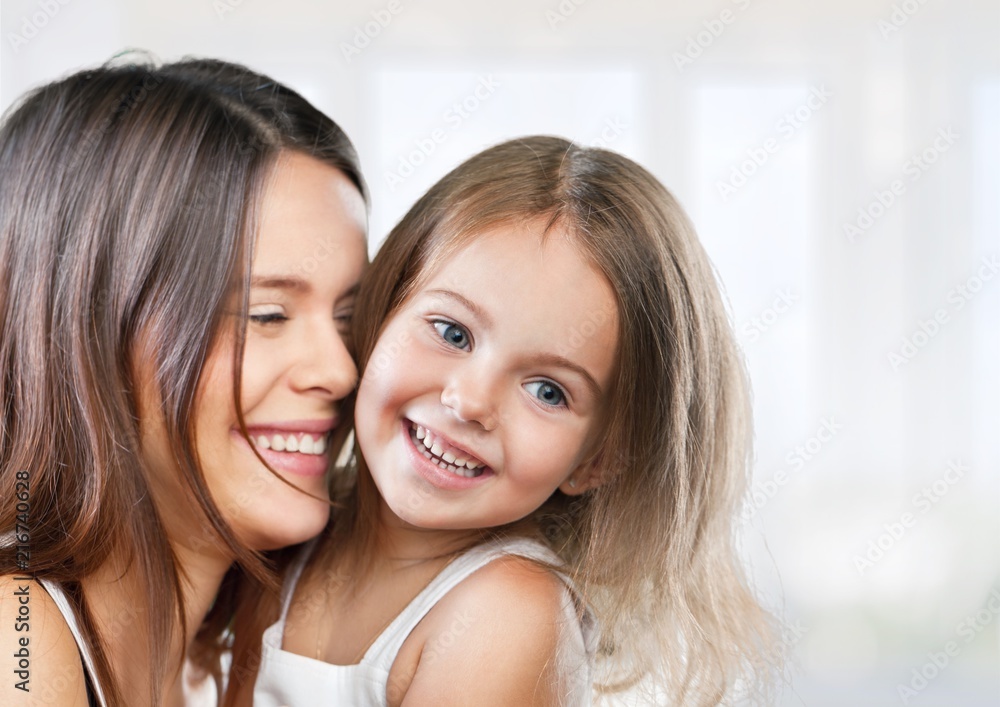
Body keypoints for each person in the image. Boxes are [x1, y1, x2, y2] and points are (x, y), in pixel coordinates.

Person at [245, 136, 779, 706]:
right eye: (452, 333)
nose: (471, 401)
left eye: (548, 391)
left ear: (600, 460)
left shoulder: (506, 613)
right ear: (382, 311)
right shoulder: (296, 521)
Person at [0, 55, 368, 706]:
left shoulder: (220, 668)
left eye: (349, 317)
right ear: (92, 329)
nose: (341, 369)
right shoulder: (14, 635)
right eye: (268, 314)